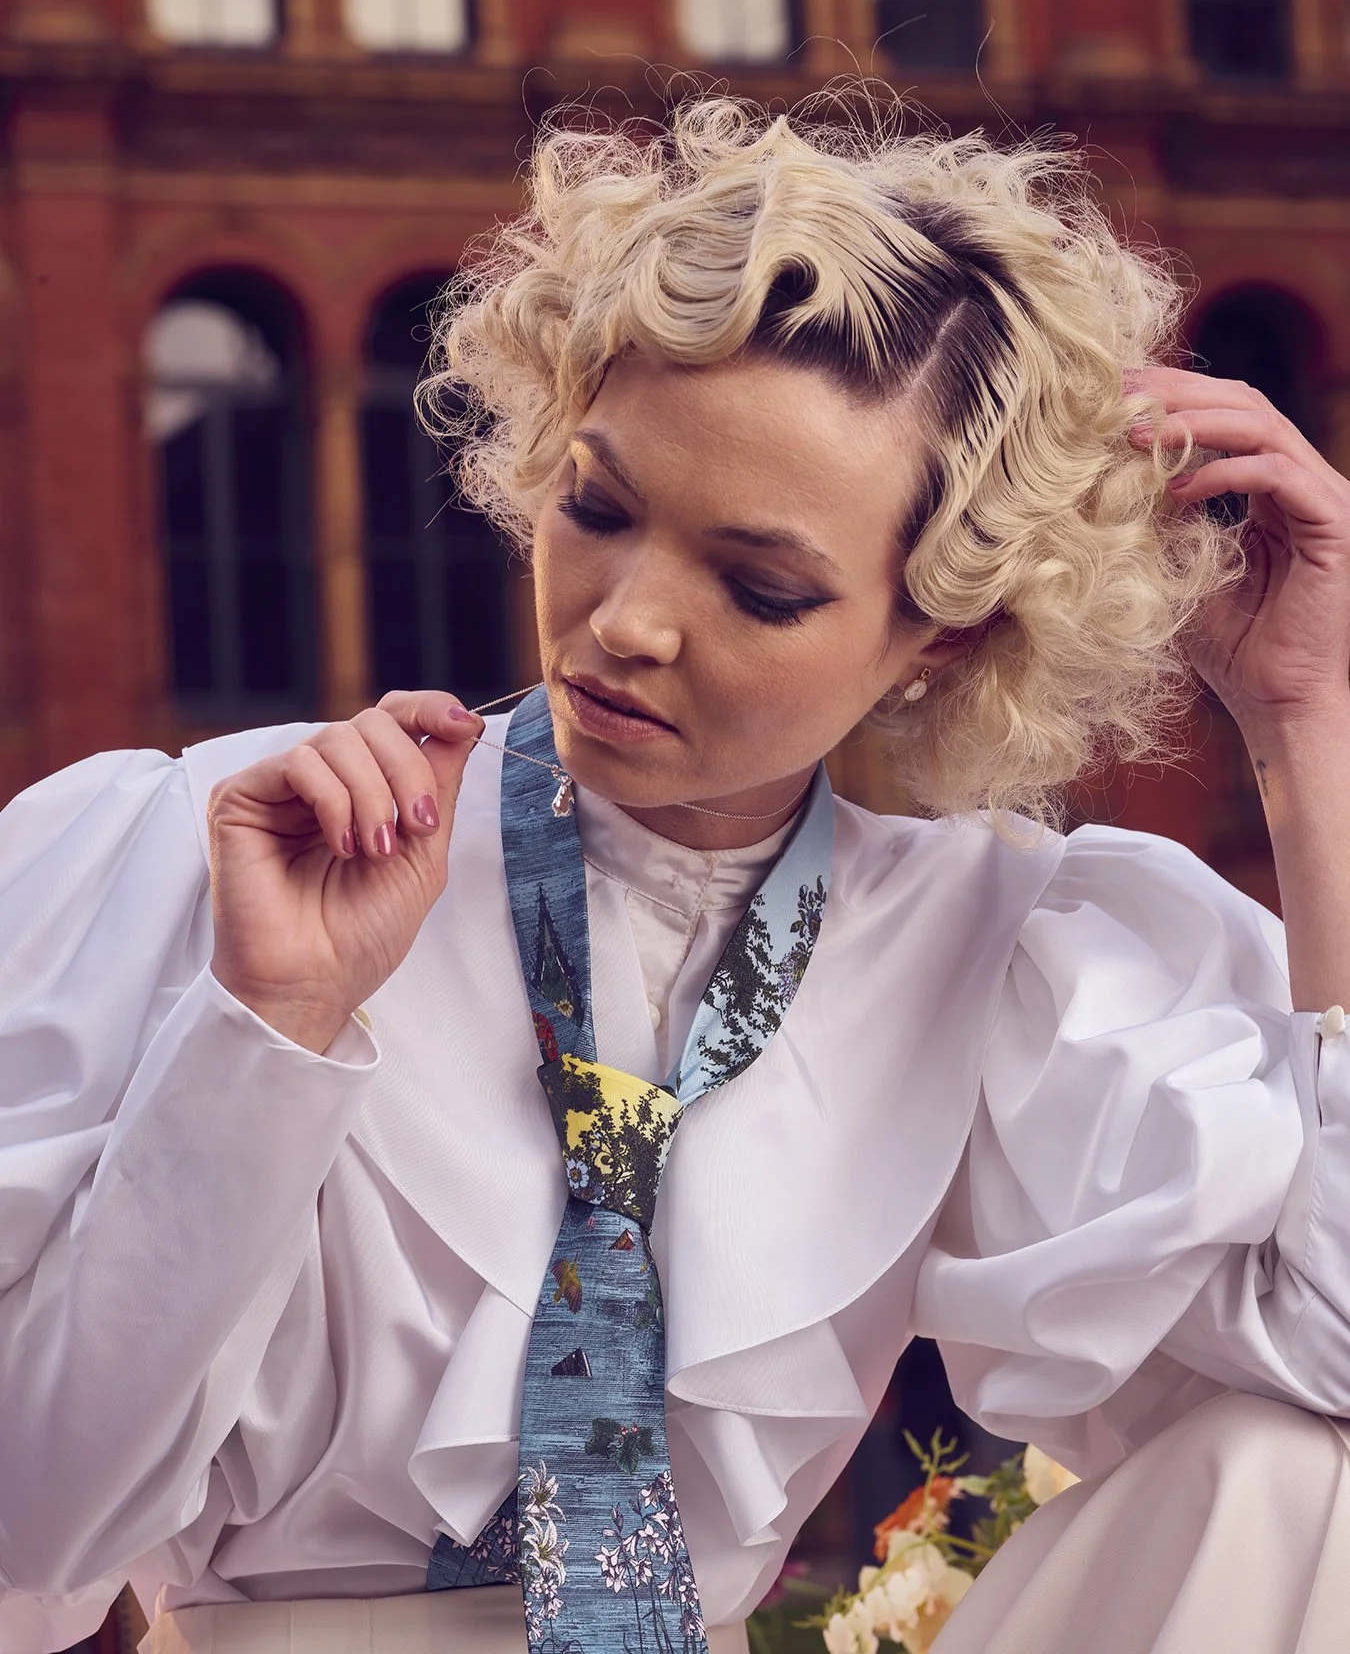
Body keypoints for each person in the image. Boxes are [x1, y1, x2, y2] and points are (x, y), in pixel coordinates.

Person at [2, 92, 1349, 1654]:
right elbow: (29, 1529)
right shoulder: (224, 842)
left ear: (942, 633)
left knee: (1285, 1476)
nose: (624, 623)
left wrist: (1308, 728)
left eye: (761, 587)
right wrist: (265, 1030)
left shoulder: (997, 944)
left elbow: (1328, 1350)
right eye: (596, 508)